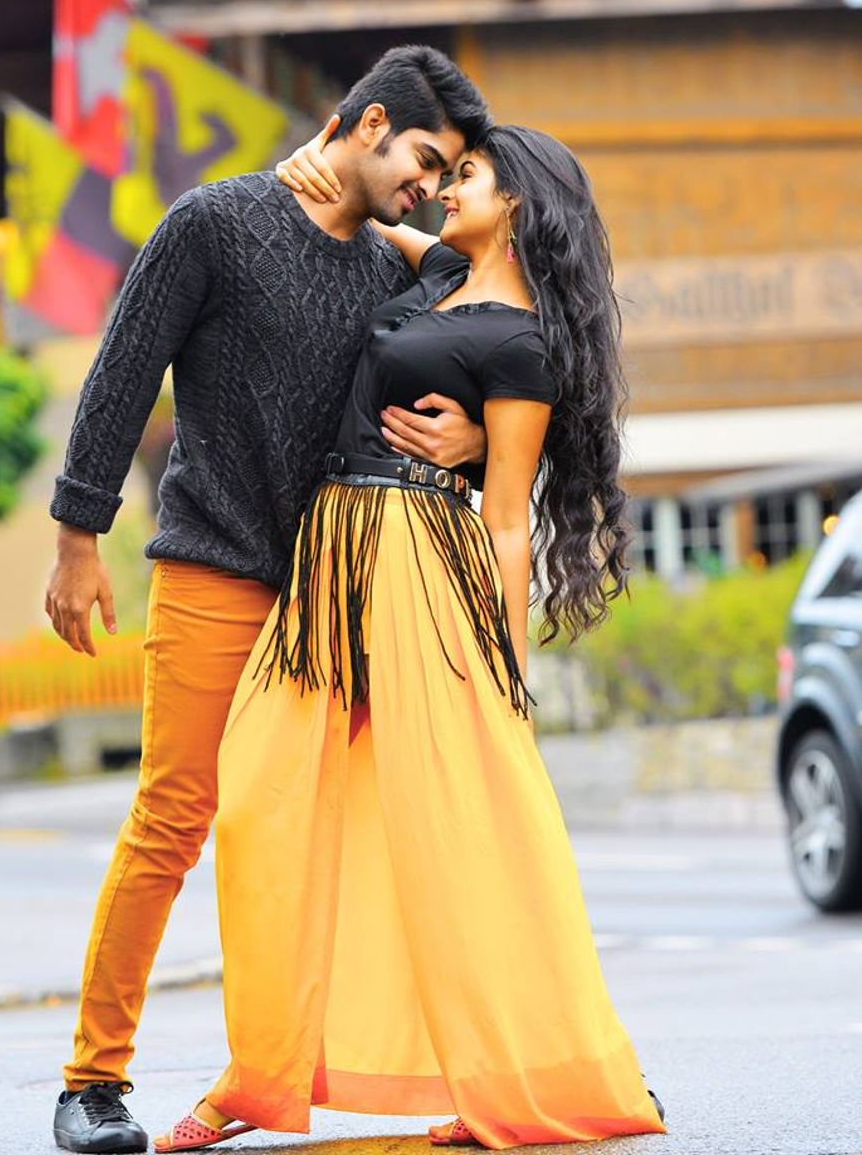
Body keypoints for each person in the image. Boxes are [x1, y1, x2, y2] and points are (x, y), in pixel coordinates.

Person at [151, 119, 668, 1152]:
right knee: (260, 798)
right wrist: (313, 154)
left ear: (517, 202)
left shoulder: (521, 343)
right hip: (332, 555)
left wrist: (509, 670)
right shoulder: (437, 274)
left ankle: (524, 1070)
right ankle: (261, 1073)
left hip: (423, 562)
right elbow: (354, 200)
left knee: (461, 825)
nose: (443, 188)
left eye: (466, 175)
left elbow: (509, 515)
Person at [45, 46, 493, 1154]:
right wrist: (77, 537)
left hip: (341, 597)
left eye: (443, 177)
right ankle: (92, 1083)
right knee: (173, 818)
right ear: (369, 121)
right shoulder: (214, 223)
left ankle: (503, 1061)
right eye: (422, 160)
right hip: (216, 567)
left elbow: (485, 290)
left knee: (400, 825)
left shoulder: (392, 270)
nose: (427, 187)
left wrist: (474, 443)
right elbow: (121, 371)